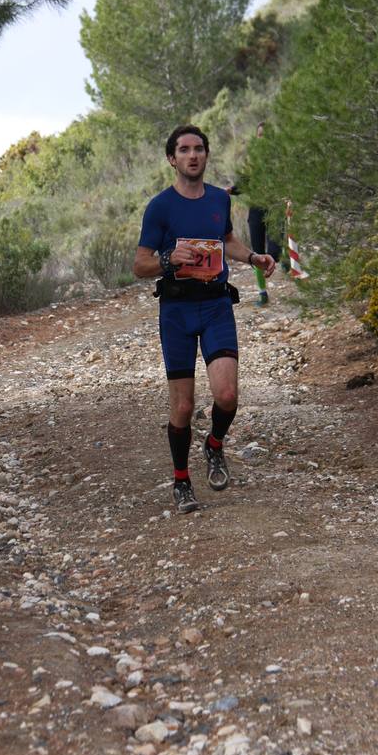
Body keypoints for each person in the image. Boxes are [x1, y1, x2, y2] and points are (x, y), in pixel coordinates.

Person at [133, 124, 275, 514]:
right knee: (181, 408)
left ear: (207, 155)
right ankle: (181, 481)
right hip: (176, 311)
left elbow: (227, 240)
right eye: (184, 150)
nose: (193, 155)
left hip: (215, 305)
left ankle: (214, 445)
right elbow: (140, 265)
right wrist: (167, 260)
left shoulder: (218, 199)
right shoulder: (159, 207)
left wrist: (254, 258)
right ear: (172, 159)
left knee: (227, 395)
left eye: (199, 149)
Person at [228, 121, 287, 306]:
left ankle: (285, 259)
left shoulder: (280, 160)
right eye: (259, 135)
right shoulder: (253, 161)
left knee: (274, 253)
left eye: (265, 136)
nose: (262, 139)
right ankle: (263, 294)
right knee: (257, 254)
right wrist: (229, 190)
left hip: (276, 208)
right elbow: (246, 182)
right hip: (256, 209)